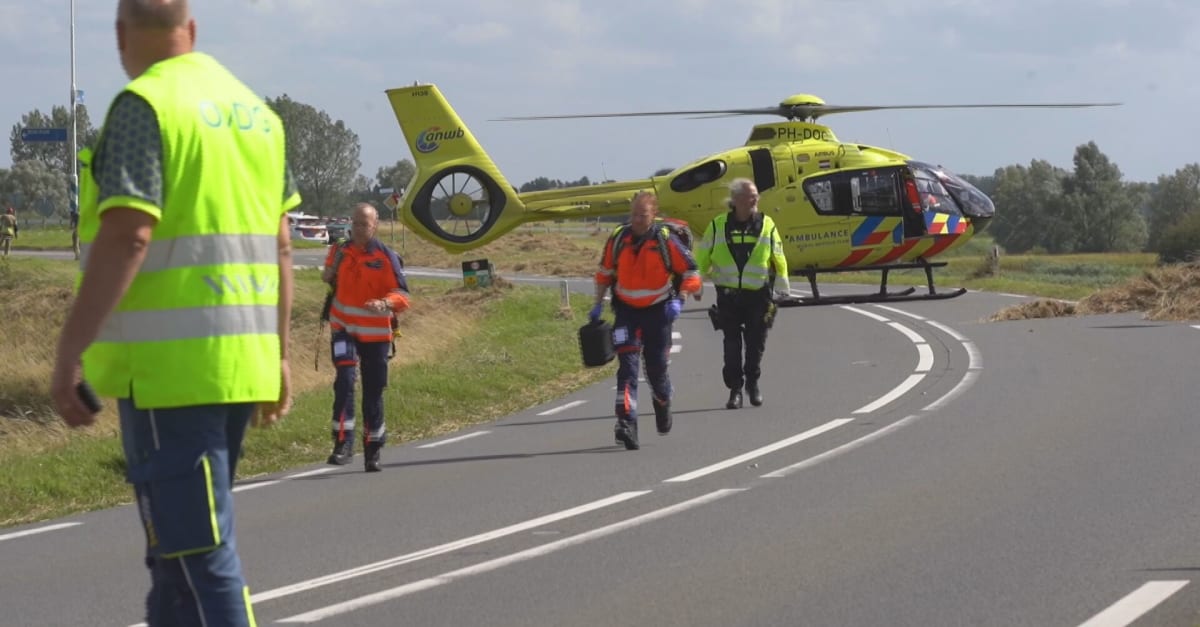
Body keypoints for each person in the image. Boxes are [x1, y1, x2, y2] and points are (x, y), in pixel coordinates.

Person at [49, 1, 298, 625]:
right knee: (174, 563)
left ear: (118, 34)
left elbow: (129, 235)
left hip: (172, 378)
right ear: (191, 29)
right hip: (242, 367)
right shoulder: (259, 116)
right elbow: (283, 244)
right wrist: (280, 356)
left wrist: (68, 350)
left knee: (201, 558)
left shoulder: (145, 107)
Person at [592, 191, 701, 450]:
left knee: (656, 371)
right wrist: (596, 304)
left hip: (659, 313)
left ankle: (663, 402)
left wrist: (681, 298)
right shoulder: (619, 239)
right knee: (627, 369)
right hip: (626, 314)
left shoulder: (666, 241)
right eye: (634, 215)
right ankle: (626, 424)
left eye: (643, 215)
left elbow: (691, 271)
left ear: (654, 215)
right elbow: (605, 272)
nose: (638, 220)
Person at [322, 202, 410, 472]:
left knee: (373, 392)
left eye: (365, 224)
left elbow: (404, 297)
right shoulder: (339, 251)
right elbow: (327, 276)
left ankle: (373, 449)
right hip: (343, 328)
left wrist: (384, 304)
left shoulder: (386, 257)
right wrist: (329, 272)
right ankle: (343, 444)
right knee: (345, 379)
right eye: (356, 223)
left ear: (376, 225)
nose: (359, 229)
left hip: (375, 336)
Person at [694, 178, 789, 409]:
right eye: (750, 195)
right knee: (732, 344)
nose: (755, 198)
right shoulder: (717, 226)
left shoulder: (767, 225)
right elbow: (702, 257)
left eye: (756, 194)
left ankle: (752, 383)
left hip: (759, 295)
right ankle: (735, 389)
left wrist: (783, 283)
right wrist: (695, 282)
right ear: (736, 200)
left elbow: (778, 255)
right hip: (728, 296)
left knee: (756, 343)